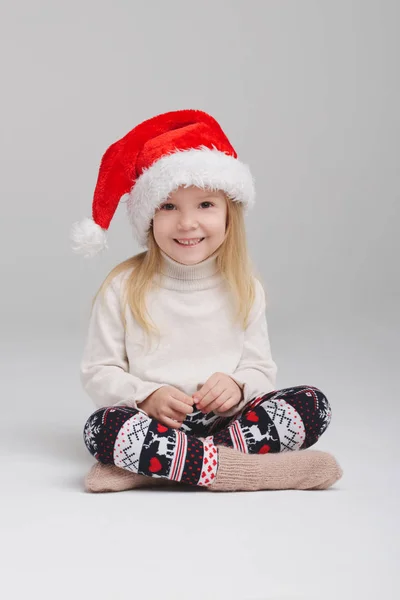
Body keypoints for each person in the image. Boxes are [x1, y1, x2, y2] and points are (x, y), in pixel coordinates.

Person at [71, 109, 343, 493]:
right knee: (102, 427)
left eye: (205, 205)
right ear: (148, 218)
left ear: (229, 214)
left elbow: (260, 368)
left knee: (313, 404)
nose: (187, 224)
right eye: (168, 206)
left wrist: (237, 383)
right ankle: (248, 472)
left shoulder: (244, 286)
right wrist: (147, 396)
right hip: (156, 425)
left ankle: (158, 466)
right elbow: (99, 371)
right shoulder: (123, 286)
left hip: (228, 423)